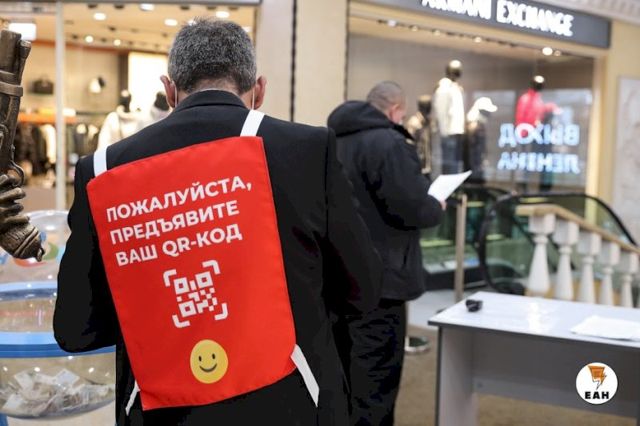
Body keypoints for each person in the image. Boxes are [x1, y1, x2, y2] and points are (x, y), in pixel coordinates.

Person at [54, 19, 382, 426]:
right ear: (258, 90)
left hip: (162, 412)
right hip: (294, 401)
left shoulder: (103, 170)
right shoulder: (308, 150)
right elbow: (362, 290)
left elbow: (76, 328)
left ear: (170, 90)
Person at [328, 81, 444, 426]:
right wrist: (435, 205)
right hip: (383, 281)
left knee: (343, 374)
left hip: (337, 277)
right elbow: (411, 207)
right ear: (395, 110)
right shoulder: (390, 144)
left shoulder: (330, 139)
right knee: (376, 380)